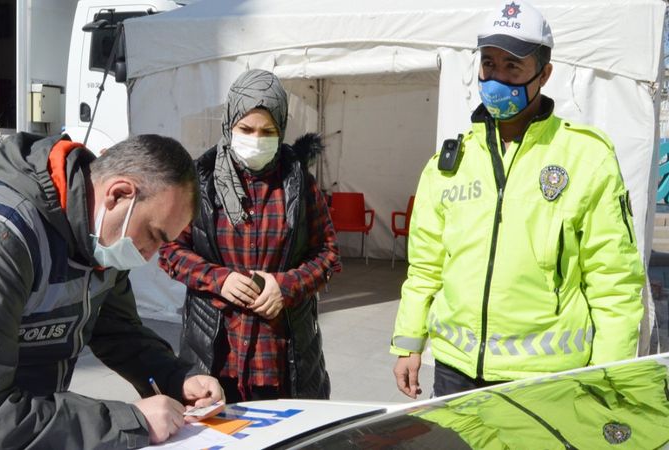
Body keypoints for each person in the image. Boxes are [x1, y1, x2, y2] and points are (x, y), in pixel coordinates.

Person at [0, 133, 224, 449]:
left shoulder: (98, 239)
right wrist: (132, 421)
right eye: (153, 235)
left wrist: (177, 378)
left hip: (22, 424)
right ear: (119, 194)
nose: (148, 256)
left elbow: (118, 331)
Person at [390, 1, 645, 398]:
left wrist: (608, 373)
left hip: (544, 377)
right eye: (489, 63)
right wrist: (408, 342)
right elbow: (425, 264)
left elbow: (613, 278)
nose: (496, 78)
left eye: (513, 66)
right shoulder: (449, 163)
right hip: (455, 372)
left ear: (544, 74)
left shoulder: (586, 157)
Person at [159, 69, 340, 402]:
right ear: (229, 124)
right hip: (215, 354)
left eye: (267, 131)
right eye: (246, 129)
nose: (256, 139)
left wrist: (286, 287)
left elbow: (327, 253)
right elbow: (170, 250)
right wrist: (219, 279)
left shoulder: (300, 183)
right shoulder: (200, 182)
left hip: (284, 357)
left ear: (282, 128)